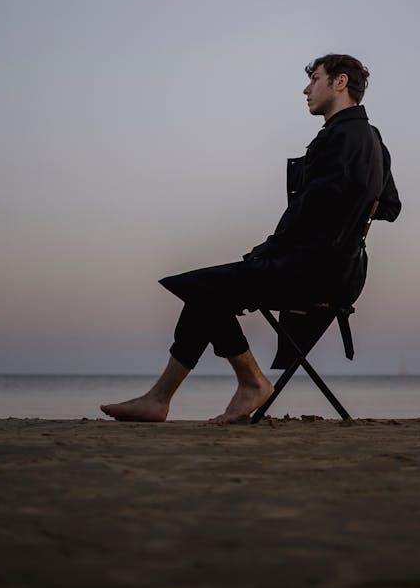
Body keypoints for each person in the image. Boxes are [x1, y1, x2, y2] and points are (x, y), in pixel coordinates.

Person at [101, 54, 401, 424]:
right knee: (206, 289)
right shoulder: (373, 139)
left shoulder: (336, 138)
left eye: (315, 80)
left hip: (310, 271)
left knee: (203, 288)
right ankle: (160, 399)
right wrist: (351, 221)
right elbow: (389, 206)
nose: (306, 89)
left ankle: (247, 383)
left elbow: (308, 212)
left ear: (340, 83)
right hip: (344, 276)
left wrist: (266, 252)